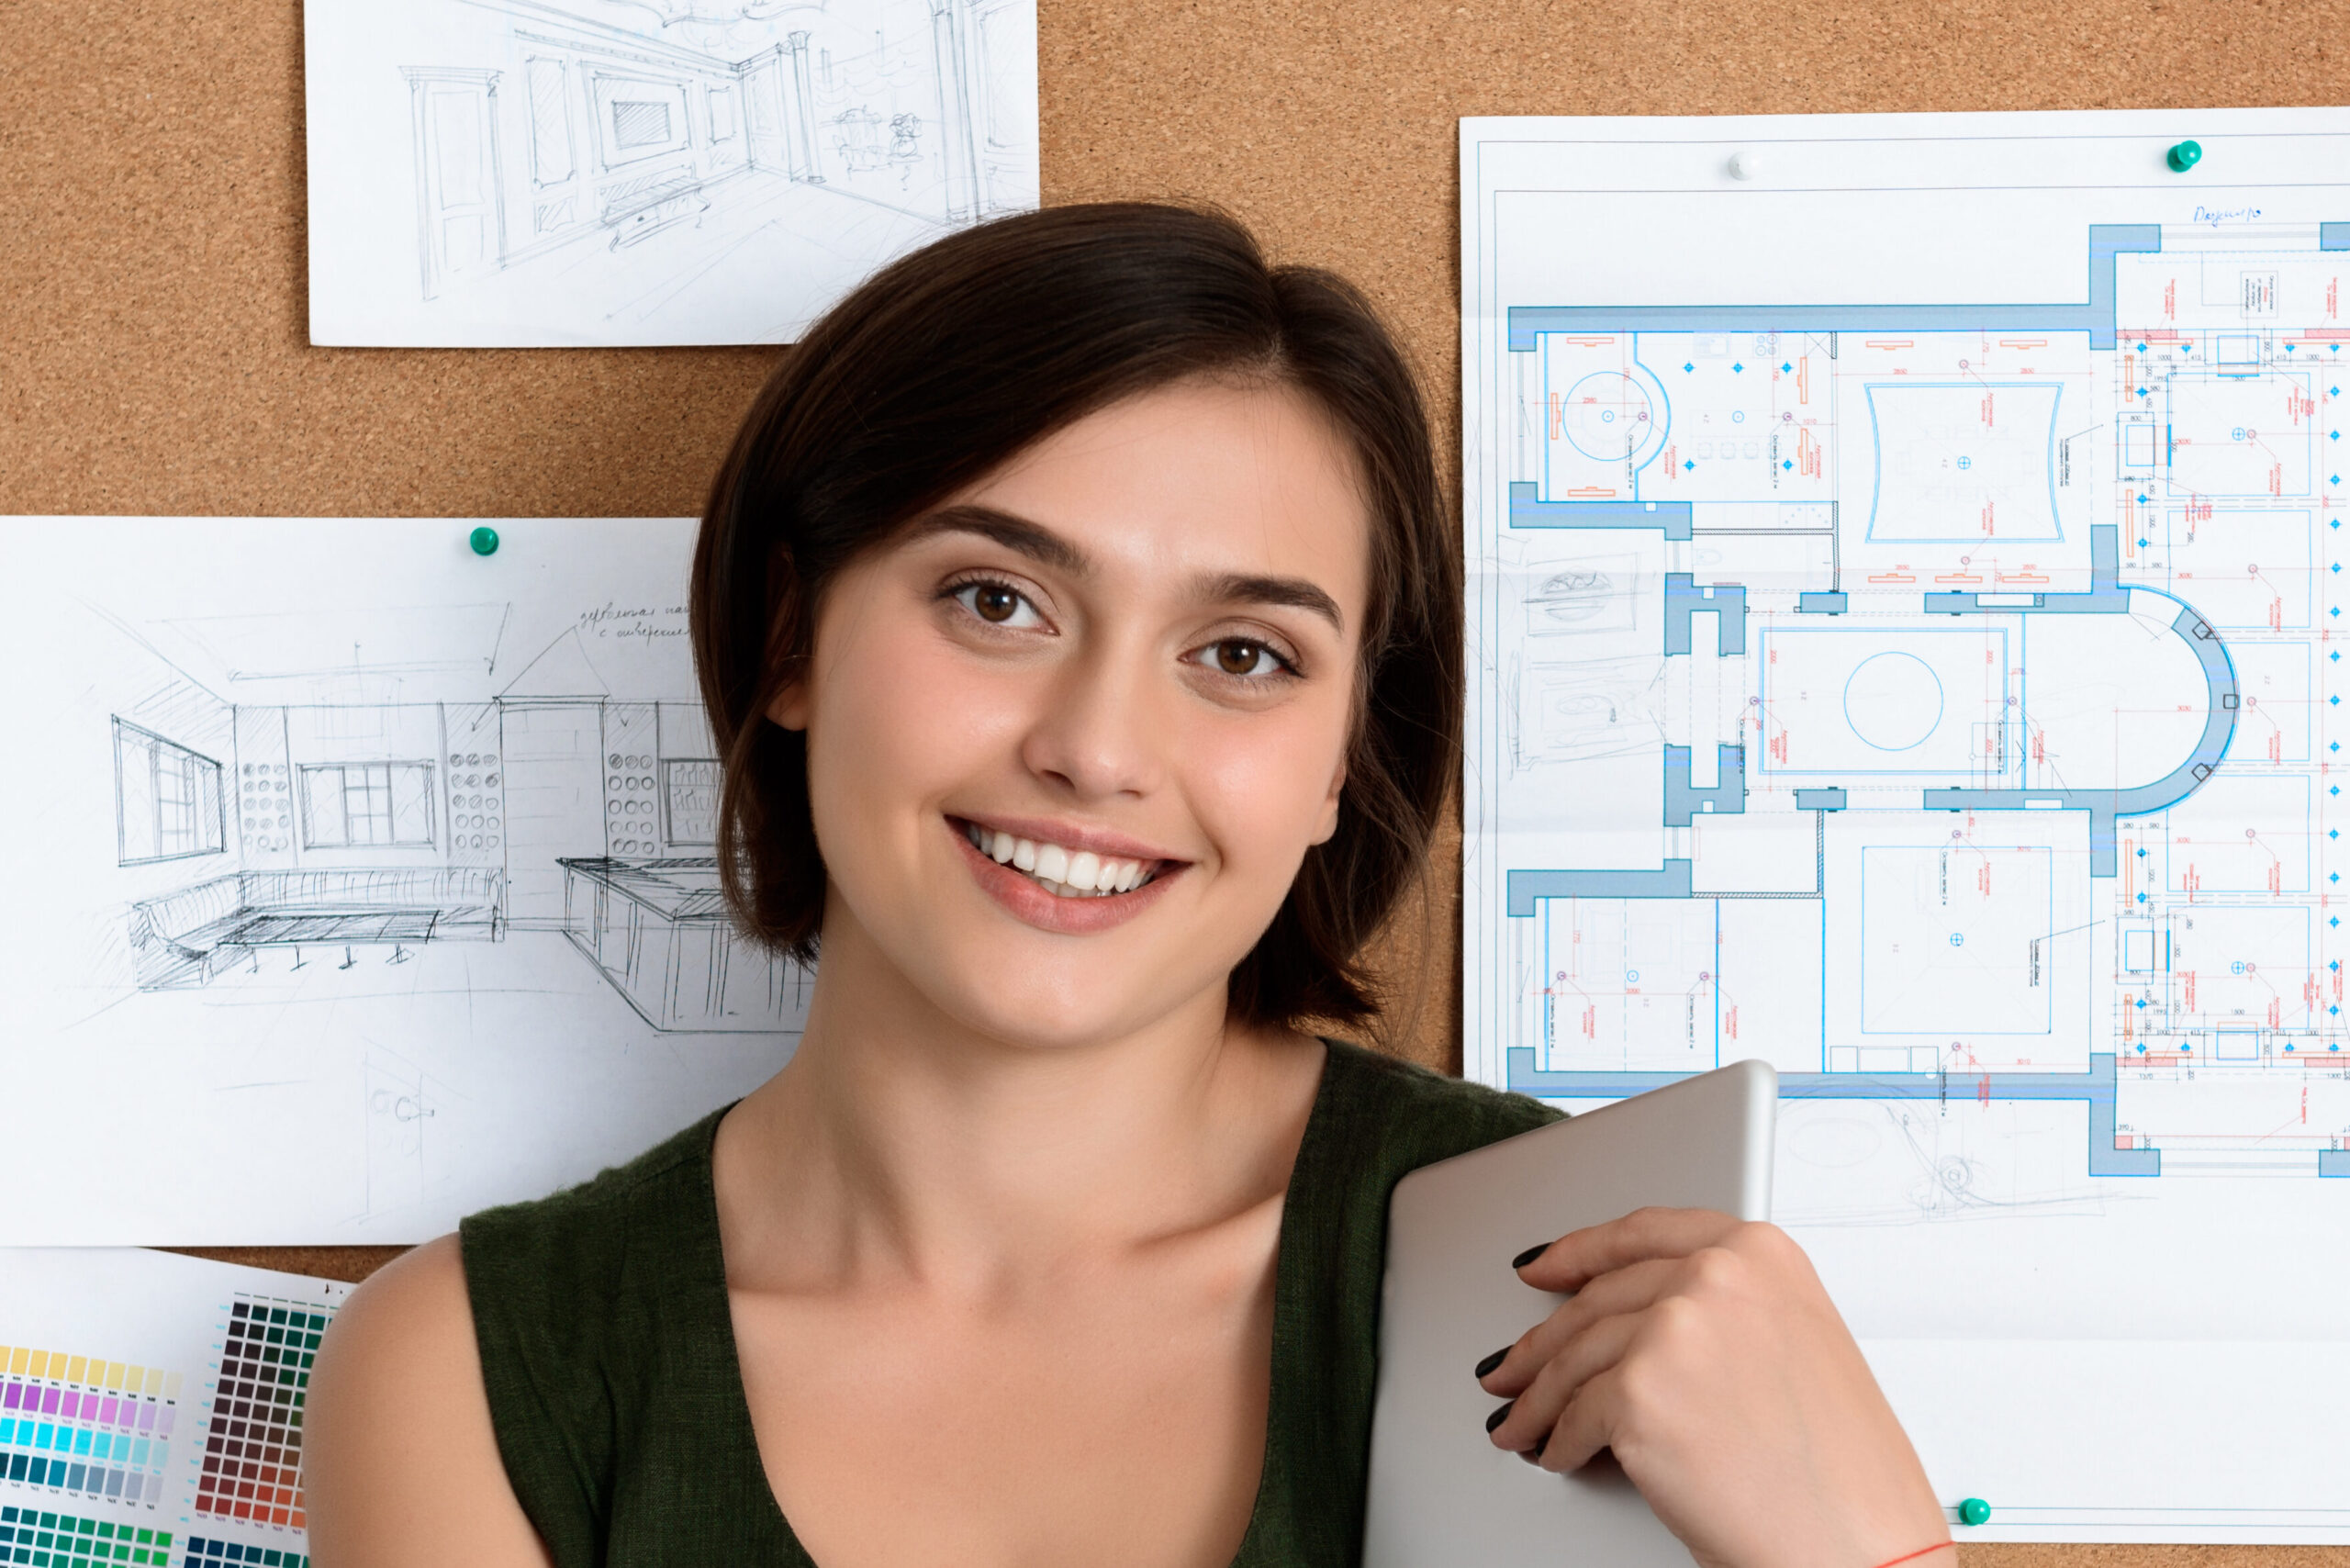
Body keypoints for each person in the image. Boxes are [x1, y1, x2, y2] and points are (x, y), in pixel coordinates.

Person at [306, 202, 1953, 1568]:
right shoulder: (472, 1372)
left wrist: (1878, 1555)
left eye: (1242, 653)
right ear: (794, 637)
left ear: (1336, 768)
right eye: (997, 602)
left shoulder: (1580, 1276)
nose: (1098, 749)